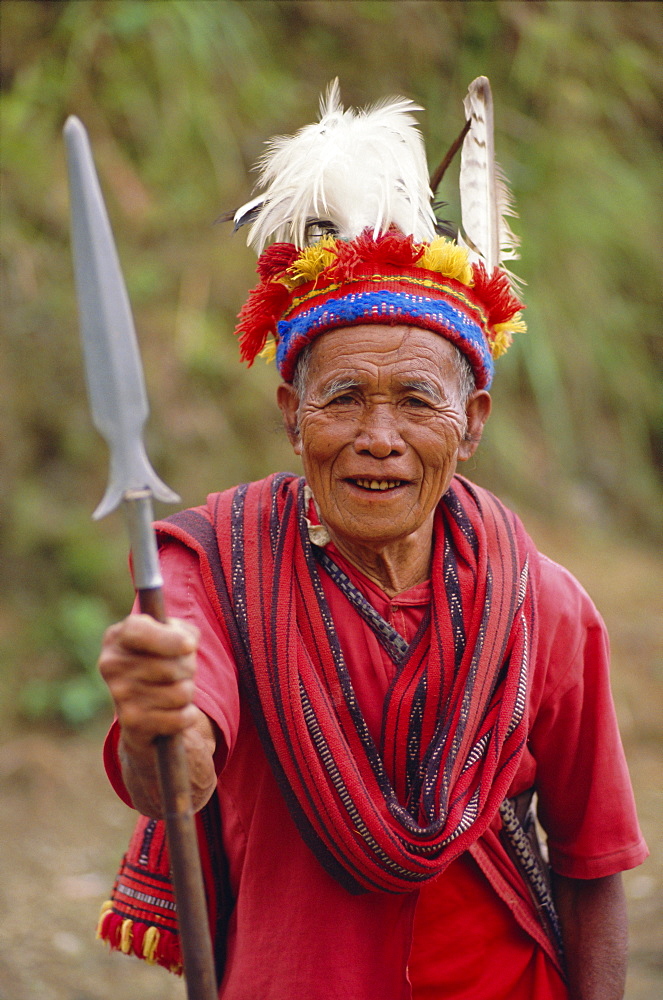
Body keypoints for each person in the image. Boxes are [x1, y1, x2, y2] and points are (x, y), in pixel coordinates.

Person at [96, 81, 647, 1000]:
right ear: (291, 416)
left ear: (470, 424)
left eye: (416, 402)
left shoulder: (543, 606)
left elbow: (592, 864)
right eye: (343, 398)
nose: (377, 437)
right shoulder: (211, 571)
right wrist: (161, 715)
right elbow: (175, 774)